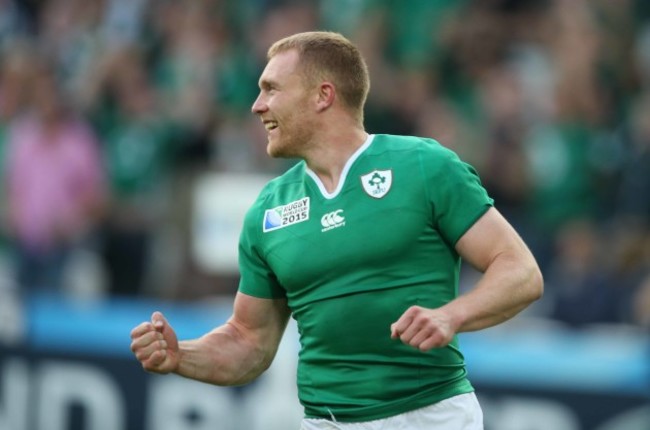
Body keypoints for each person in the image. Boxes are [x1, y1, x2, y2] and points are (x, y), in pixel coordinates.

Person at [130, 31, 543, 430]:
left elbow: (520, 271)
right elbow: (248, 341)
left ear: (322, 96)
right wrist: (179, 355)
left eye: (272, 88)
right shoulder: (268, 210)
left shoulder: (424, 166)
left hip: (430, 416)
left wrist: (452, 315)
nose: (257, 105)